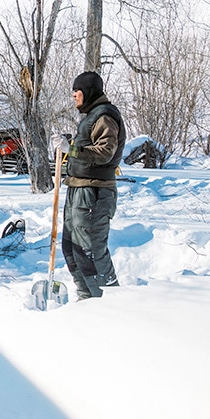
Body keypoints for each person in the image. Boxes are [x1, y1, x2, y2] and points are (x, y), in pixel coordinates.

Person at [60, 71, 126, 300]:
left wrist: (74, 150)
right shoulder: (90, 116)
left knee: (90, 251)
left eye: (76, 91)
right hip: (79, 189)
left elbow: (106, 152)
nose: (74, 96)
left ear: (87, 92)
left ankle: (109, 302)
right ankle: (87, 300)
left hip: (94, 193)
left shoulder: (104, 116)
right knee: (71, 248)